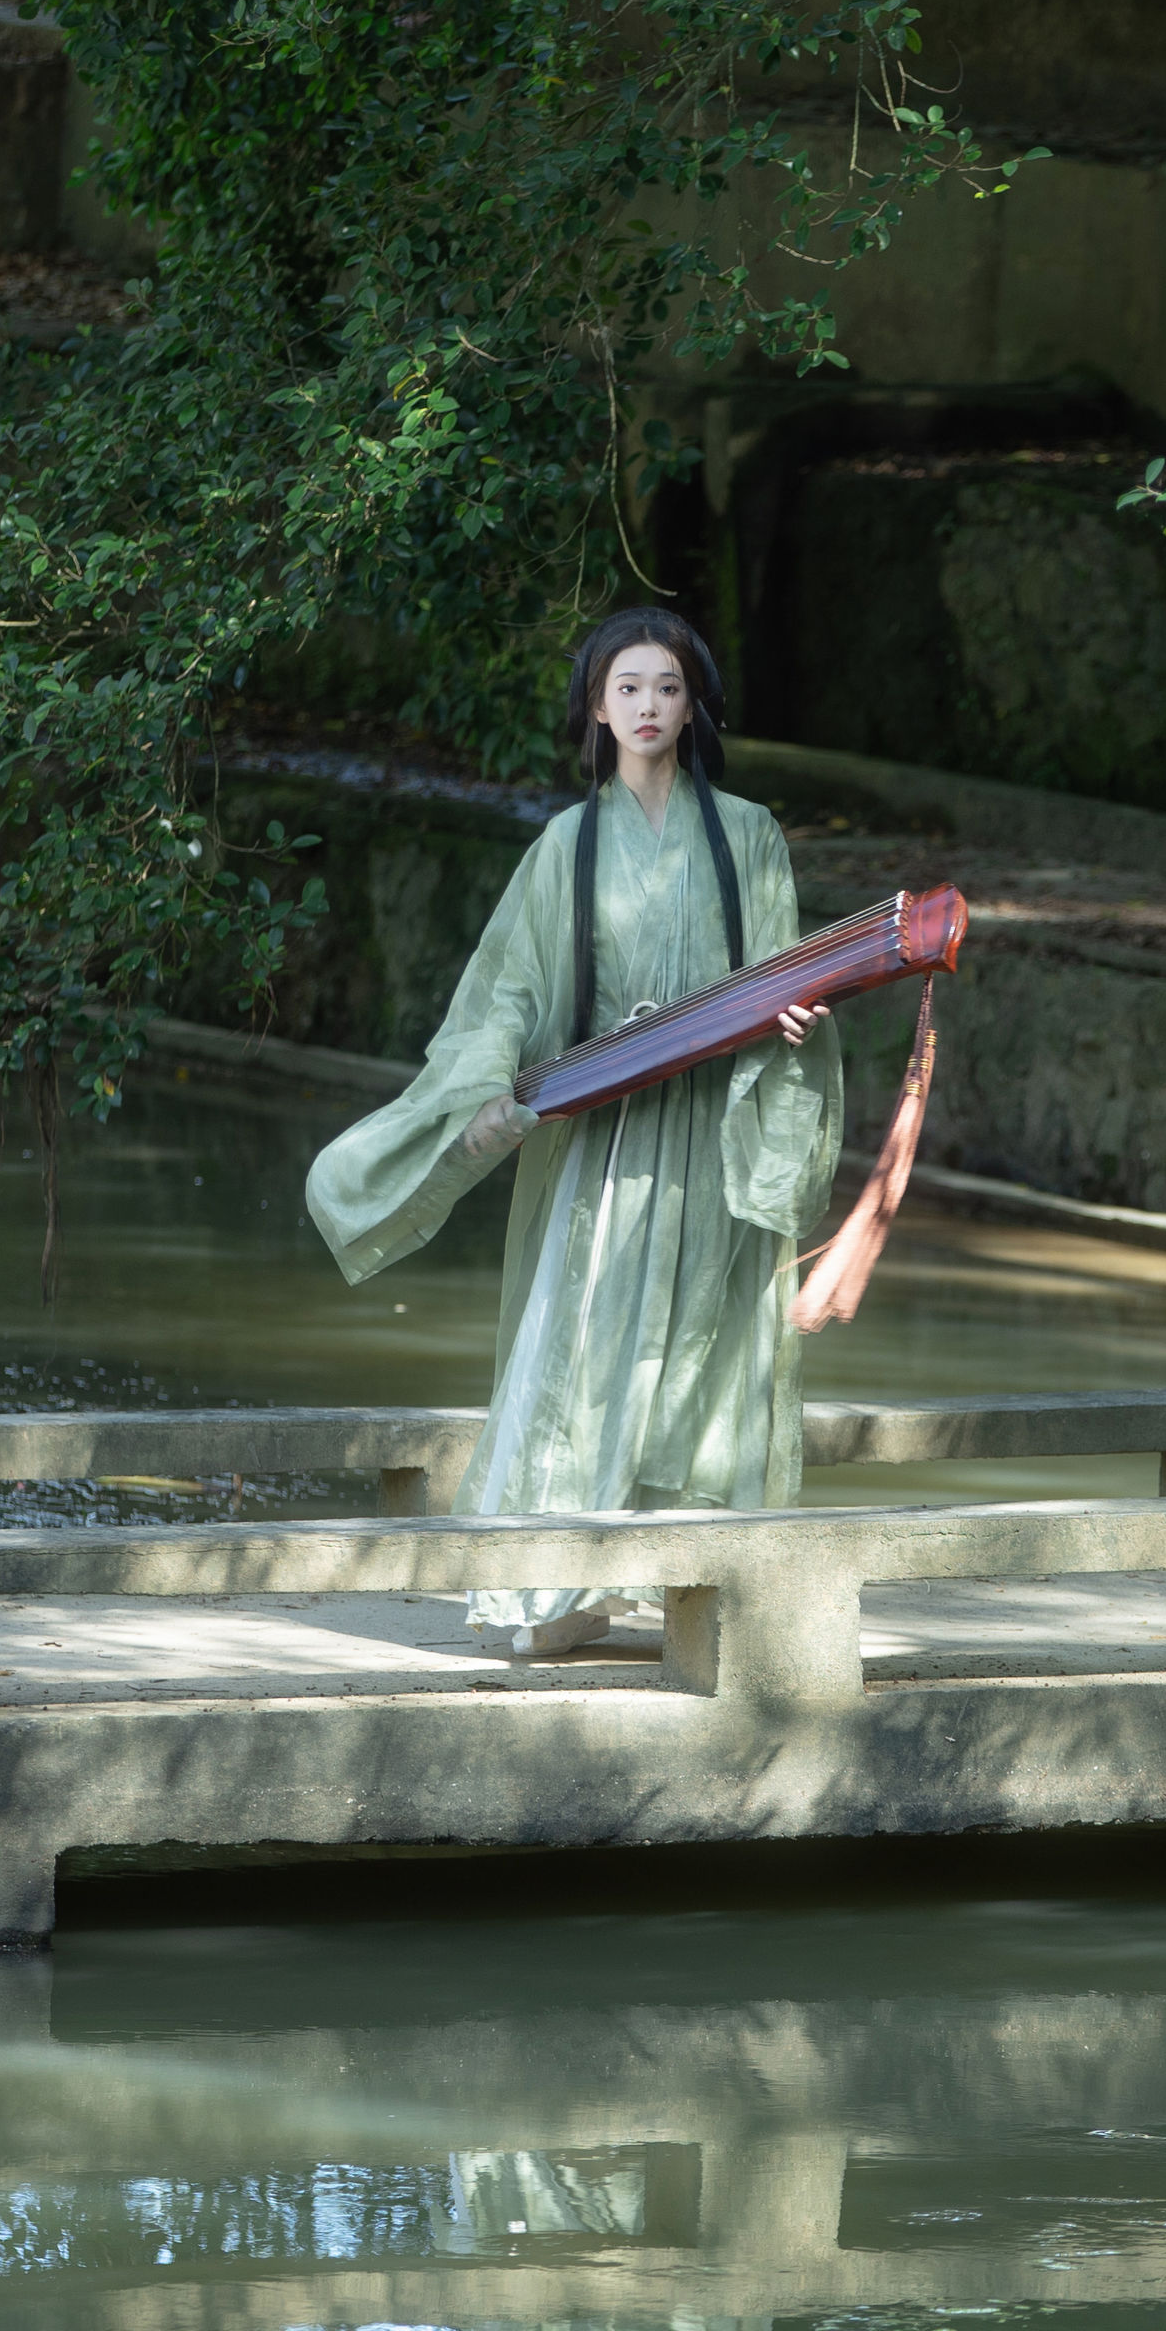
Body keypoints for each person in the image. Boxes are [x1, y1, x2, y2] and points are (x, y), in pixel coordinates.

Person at [304, 608, 839, 1657]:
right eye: (628, 688)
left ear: (695, 707)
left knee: (707, 1347)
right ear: (597, 705)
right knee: (582, 1344)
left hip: (714, 1132)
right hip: (605, 1135)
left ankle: (699, 1583)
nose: (649, 706)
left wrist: (790, 1019)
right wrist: (488, 1087)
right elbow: (508, 989)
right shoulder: (566, 845)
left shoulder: (749, 835)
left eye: (669, 689)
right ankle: (549, 1589)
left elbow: (780, 973)